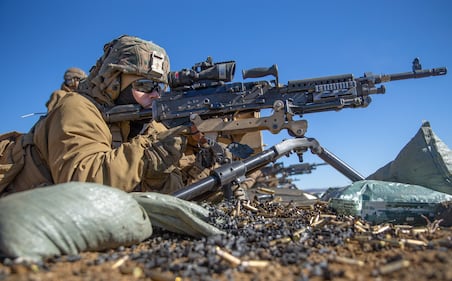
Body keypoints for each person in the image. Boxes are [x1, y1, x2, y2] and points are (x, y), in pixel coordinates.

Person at [1, 35, 187, 196]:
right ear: (114, 81)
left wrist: (197, 155)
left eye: (160, 87)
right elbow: (81, 185)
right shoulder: (76, 108)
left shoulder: (146, 124)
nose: (155, 95)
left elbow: (174, 195)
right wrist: (148, 154)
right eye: (145, 85)